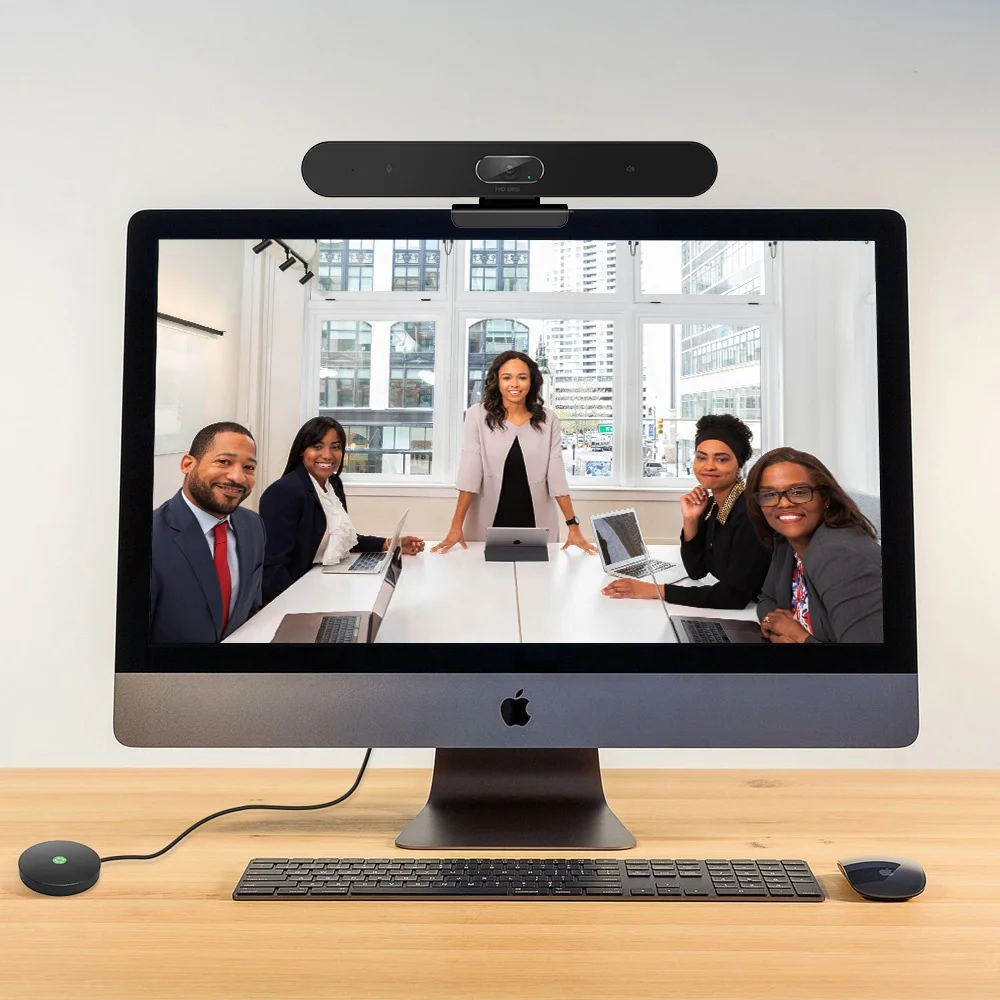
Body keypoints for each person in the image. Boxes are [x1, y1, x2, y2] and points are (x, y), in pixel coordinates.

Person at [431, 350, 597, 554]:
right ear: (496, 381)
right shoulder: (477, 415)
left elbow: (556, 476)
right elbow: (469, 474)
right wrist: (456, 526)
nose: (515, 384)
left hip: (537, 520)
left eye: (522, 377)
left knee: (539, 582)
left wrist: (573, 526)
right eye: (507, 377)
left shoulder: (548, 419)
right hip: (487, 519)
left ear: (532, 381)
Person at [602, 413, 771, 608]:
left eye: (722, 459)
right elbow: (696, 570)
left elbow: (732, 597)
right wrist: (691, 520)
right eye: (701, 457)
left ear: (739, 465)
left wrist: (653, 590)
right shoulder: (713, 505)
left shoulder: (750, 512)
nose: (709, 466)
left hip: (760, 614)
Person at [258, 416, 425, 605]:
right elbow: (273, 567)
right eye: (318, 446)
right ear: (302, 451)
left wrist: (391, 544)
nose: (328, 455)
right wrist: (291, 609)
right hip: (297, 594)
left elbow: (341, 538)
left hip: (322, 583)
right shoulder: (284, 492)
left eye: (335, 447)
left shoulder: (332, 484)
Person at [745, 447, 882, 643]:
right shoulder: (786, 542)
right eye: (769, 495)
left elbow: (866, 667)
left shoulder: (840, 557)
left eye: (798, 492)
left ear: (825, 498)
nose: (784, 504)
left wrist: (800, 638)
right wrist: (774, 625)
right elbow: (767, 599)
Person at [150, 422, 265, 643]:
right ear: (187, 464)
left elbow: (252, 607)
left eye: (249, 468)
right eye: (224, 462)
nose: (238, 477)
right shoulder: (150, 537)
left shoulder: (253, 526)